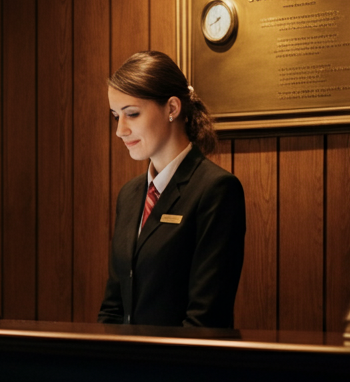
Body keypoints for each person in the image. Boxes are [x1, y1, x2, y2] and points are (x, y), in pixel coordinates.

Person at [97, 51, 245, 328]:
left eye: (132, 114)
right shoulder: (129, 195)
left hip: (181, 367)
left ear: (172, 108)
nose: (120, 130)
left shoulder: (216, 190)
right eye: (116, 116)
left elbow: (206, 317)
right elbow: (113, 307)